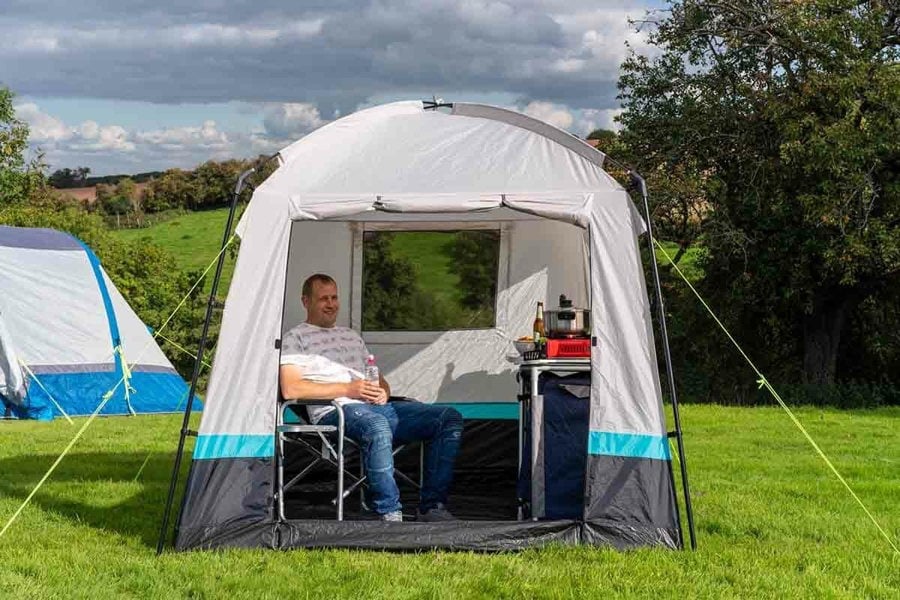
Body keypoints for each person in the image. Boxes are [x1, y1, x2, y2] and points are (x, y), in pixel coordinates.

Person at [279, 273, 464, 522]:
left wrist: (383, 391)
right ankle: (389, 512)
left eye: (334, 298)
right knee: (376, 426)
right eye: (324, 299)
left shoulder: (351, 336)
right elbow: (291, 389)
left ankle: (431, 507)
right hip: (335, 411)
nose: (331, 304)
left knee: (447, 418)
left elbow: (376, 376)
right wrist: (348, 389)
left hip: (375, 406)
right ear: (305, 301)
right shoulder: (295, 338)